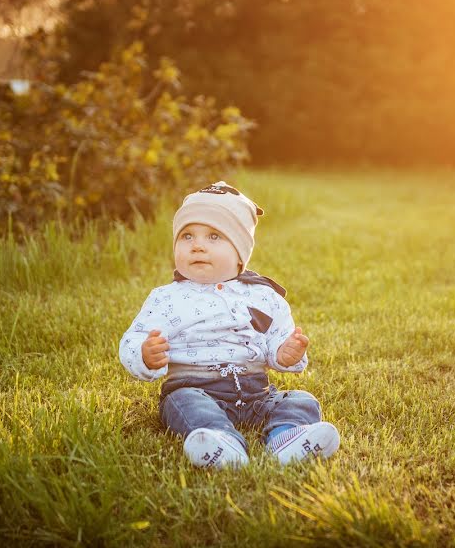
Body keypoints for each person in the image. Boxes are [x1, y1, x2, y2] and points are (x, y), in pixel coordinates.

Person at [119, 182, 340, 468]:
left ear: (240, 253)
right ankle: (220, 440)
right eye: (187, 236)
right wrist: (146, 354)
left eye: (213, 236)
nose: (197, 245)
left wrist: (285, 353)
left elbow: (276, 339)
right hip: (196, 388)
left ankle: (286, 436)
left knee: (302, 401)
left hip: (256, 394)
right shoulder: (166, 298)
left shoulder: (263, 296)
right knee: (184, 404)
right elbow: (132, 339)